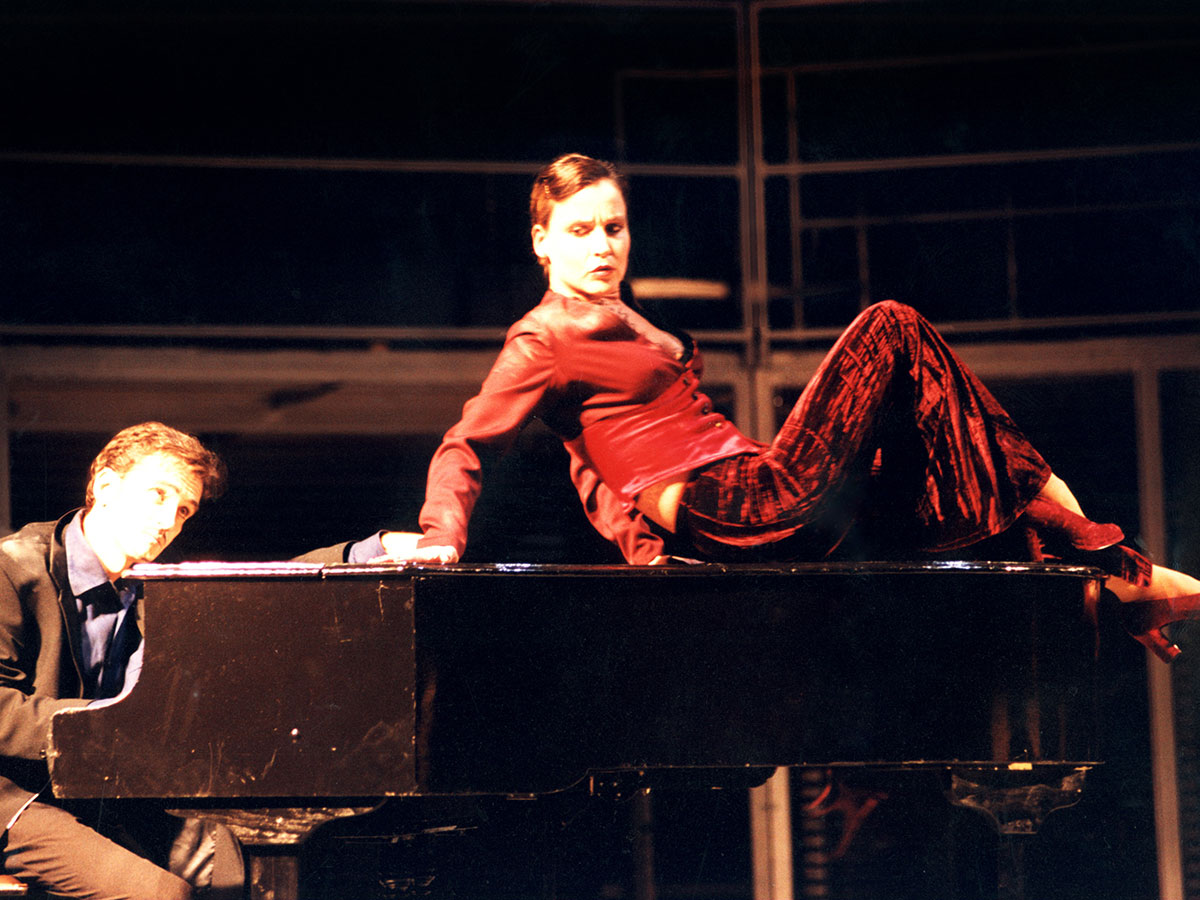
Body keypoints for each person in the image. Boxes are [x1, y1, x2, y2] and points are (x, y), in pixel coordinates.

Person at [379, 152, 1200, 663]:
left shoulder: (623, 321)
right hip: (734, 506)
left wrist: (646, 556)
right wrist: (442, 535)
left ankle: (1110, 588)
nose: (603, 245)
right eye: (581, 230)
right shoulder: (545, 337)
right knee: (891, 328)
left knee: (931, 464)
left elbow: (593, 465)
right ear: (541, 240)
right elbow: (467, 443)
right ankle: (1100, 543)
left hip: (758, 494)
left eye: (615, 227)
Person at [0, 422, 240, 899]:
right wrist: (106, 723)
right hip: (13, 795)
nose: (169, 519)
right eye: (158, 494)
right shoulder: (11, 569)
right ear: (106, 487)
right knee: (161, 894)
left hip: (94, 788)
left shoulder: (148, 588)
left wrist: (367, 549)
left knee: (236, 866)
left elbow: (271, 576)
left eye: (184, 509)